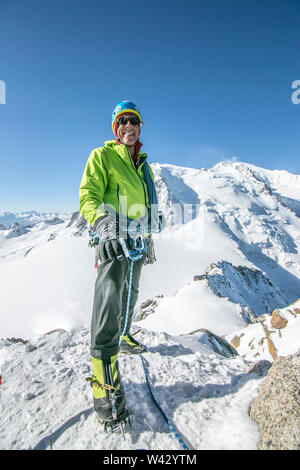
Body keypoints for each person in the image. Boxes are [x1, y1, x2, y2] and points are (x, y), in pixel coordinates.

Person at [79, 100, 159, 430]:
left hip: (138, 239)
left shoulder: (143, 165)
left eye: (134, 122)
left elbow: (146, 202)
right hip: (114, 237)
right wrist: (103, 225)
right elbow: (89, 196)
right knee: (109, 301)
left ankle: (124, 336)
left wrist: (150, 234)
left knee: (131, 292)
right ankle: (104, 388)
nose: (129, 126)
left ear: (139, 128)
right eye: (123, 121)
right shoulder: (103, 156)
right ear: (116, 127)